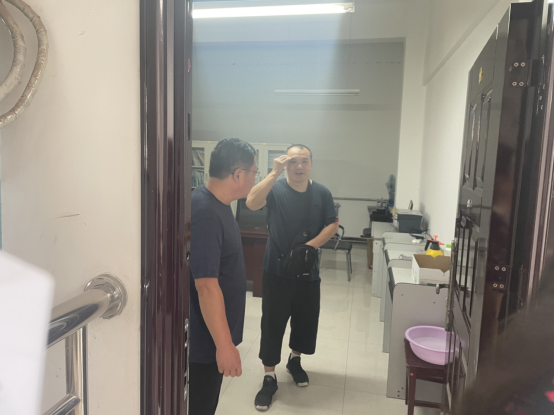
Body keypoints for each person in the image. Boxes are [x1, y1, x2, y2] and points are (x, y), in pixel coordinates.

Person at [246, 144, 339, 411]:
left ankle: (295, 360)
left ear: (311, 163)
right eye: (293, 161)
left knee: (305, 320)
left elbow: (332, 224)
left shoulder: (321, 192)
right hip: (276, 271)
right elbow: (252, 202)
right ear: (285, 164)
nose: (299, 166)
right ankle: (269, 376)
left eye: (305, 161)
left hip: (308, 271)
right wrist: (273, 172)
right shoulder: (275, 188)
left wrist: (309, 247)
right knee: (272, 322)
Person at [189, 138, 259, 416]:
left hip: (212, 335)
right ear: (239, 175)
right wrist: (224, 345)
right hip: (205, 342)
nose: (255, 178)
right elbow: (206, 286)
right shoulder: (206, 212)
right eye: (254, 172)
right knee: (200, 406)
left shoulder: (218, 203)